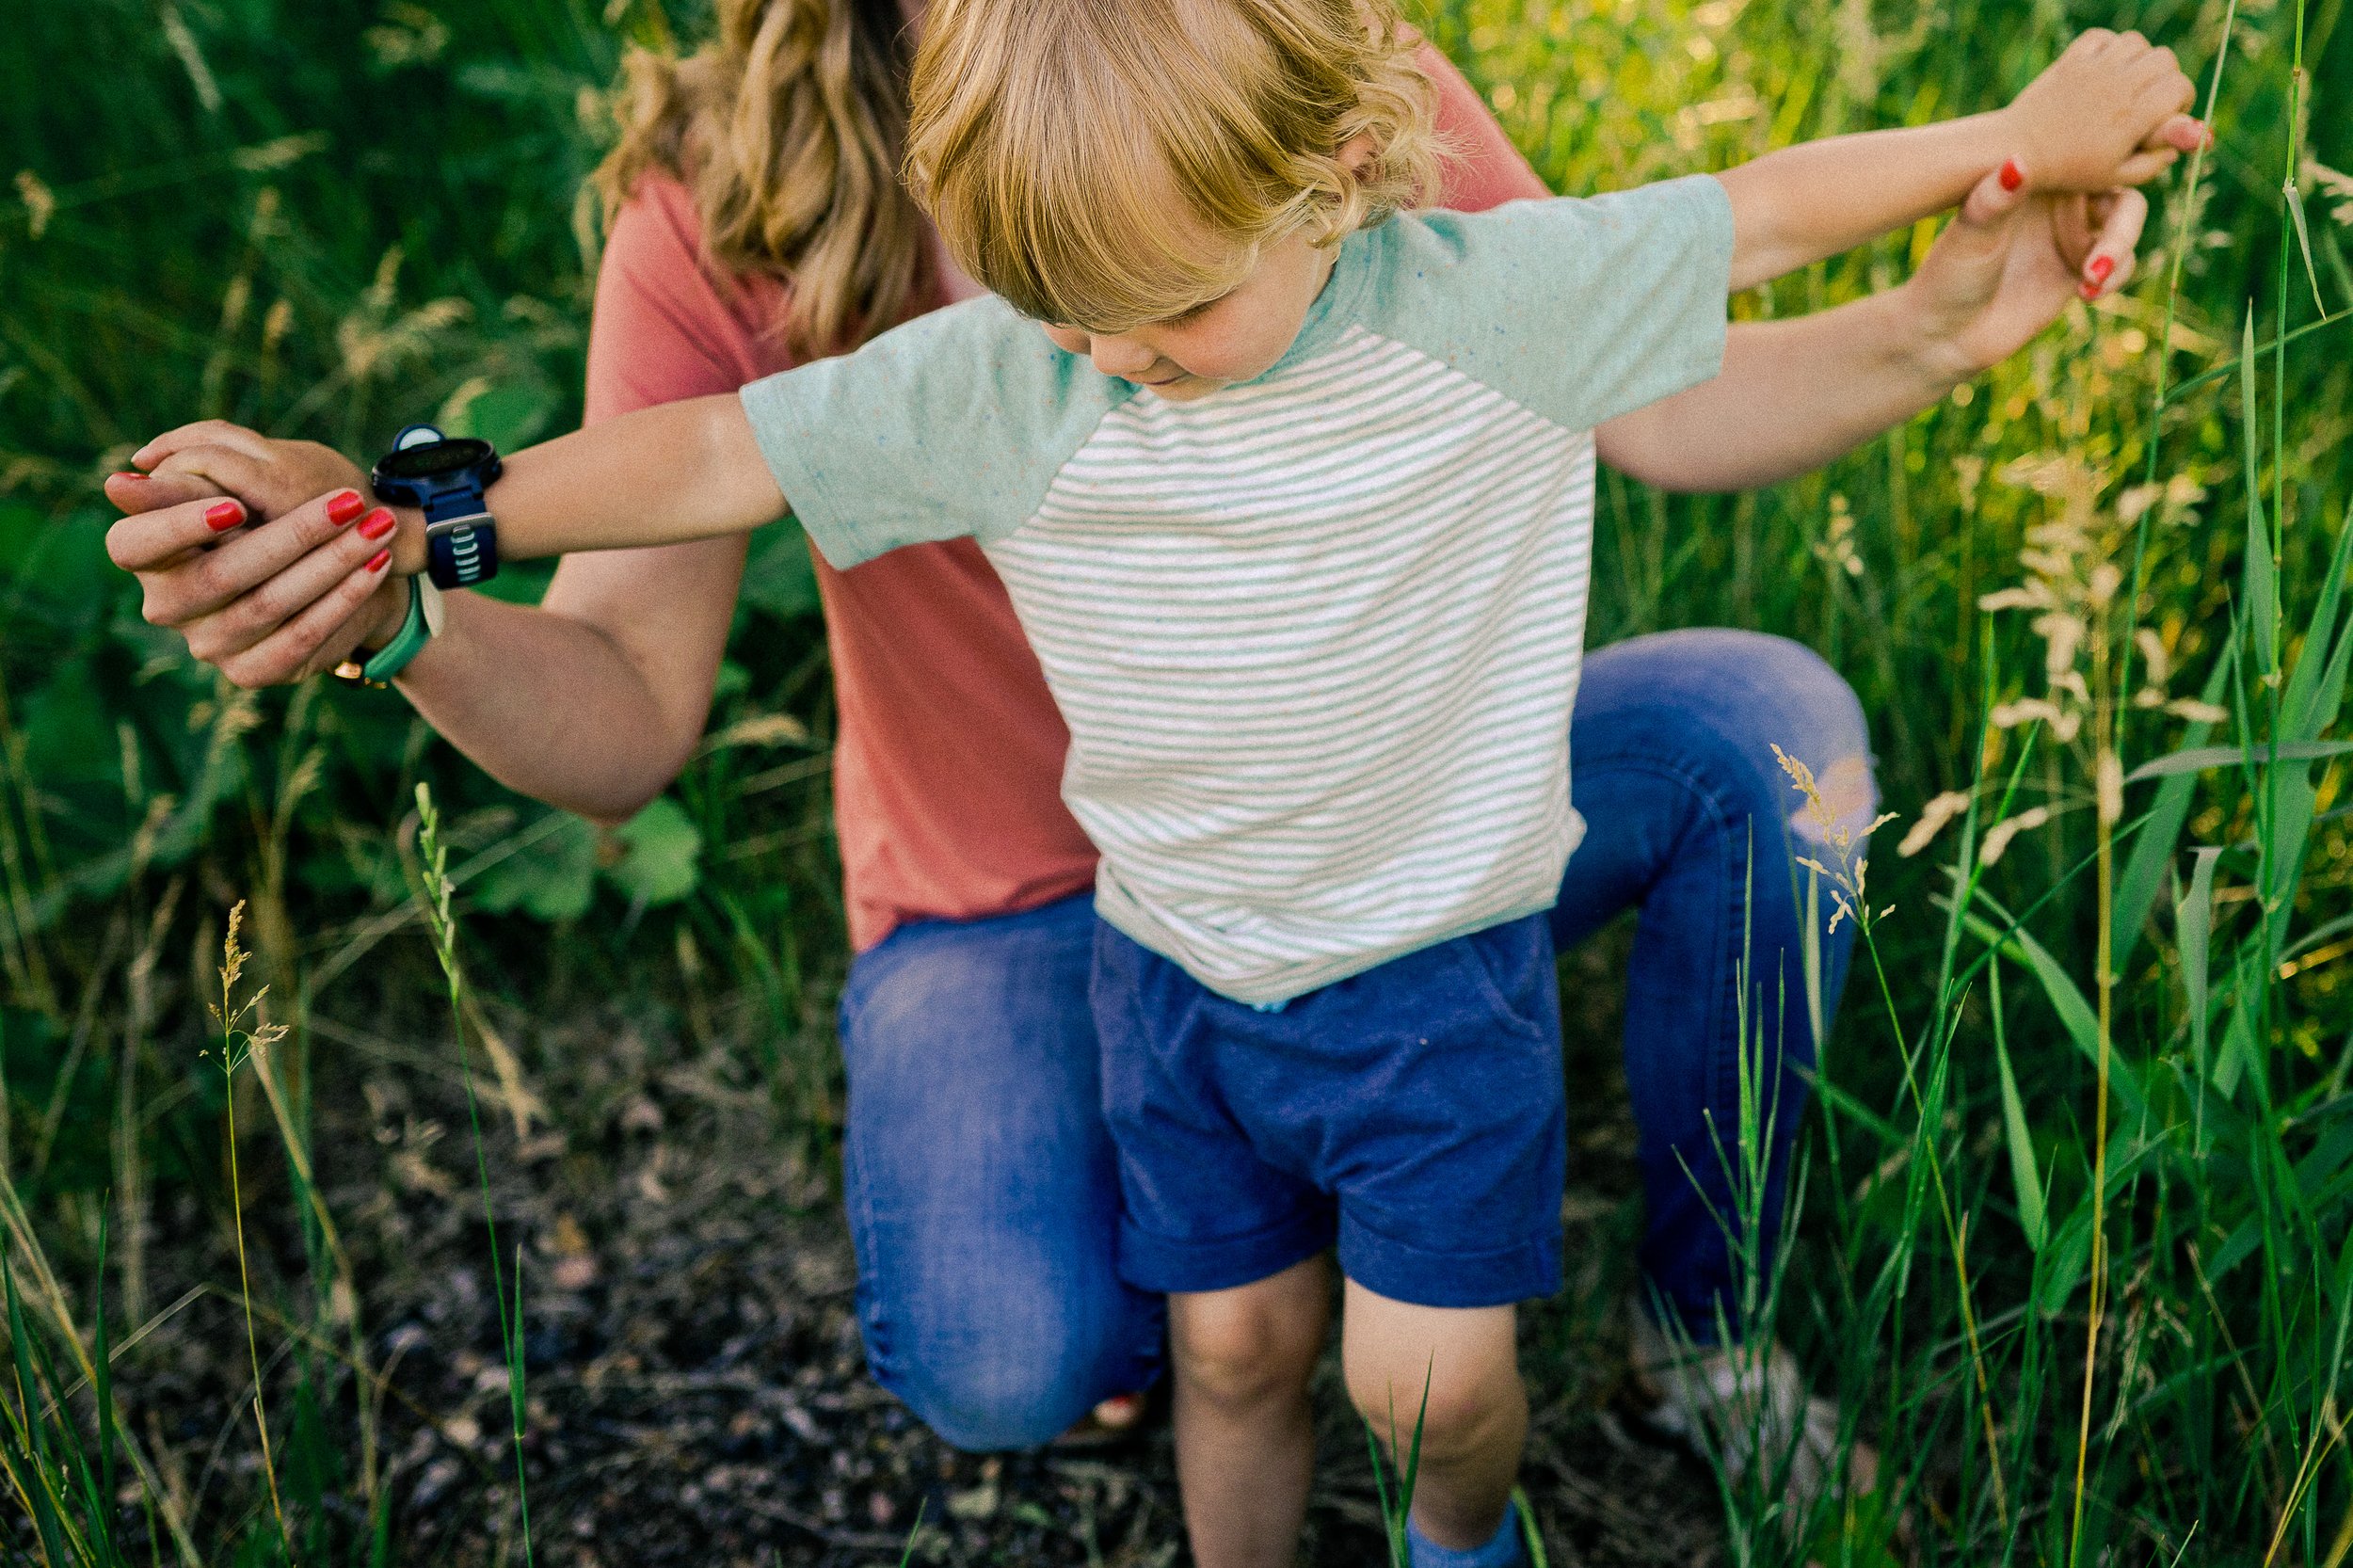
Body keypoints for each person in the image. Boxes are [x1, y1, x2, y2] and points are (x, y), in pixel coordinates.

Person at [115, 4, 2200, 1561]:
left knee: (1755, 754)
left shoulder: (1301, 89)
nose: (1112, 348)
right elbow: (696, 486)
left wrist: (1959, 266)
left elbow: (1713, 248)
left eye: (1168, 303)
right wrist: (398, 540)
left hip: (1413, 843)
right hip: (1110, 919)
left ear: (1323, 168)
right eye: (1066, 308)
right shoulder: (914, 306)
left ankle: (1702, 1321)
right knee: (1088, 1352)